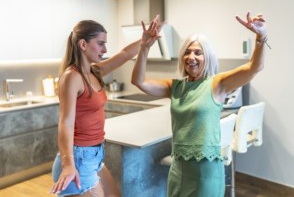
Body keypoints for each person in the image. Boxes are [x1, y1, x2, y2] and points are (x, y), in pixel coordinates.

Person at [131, 11, 269, 197]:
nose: (191, 57)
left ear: (208, 57)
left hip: (206, 171)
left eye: (198, 52)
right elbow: (139, 81)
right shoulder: (175, 87)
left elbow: (254, 67)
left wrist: (261, 36)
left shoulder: (217, 84)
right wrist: (144, 47)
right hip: (178, 167)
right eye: (187, 52)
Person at [50, 16, 161, 197]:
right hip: (78, 159)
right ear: (83, 44)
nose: (105, 49)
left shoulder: (94, 72)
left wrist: (144, 42)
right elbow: (65, 123)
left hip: (94, 156)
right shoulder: (72, 77)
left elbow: (124, 54)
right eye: (100, 43)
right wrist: (68, 165)